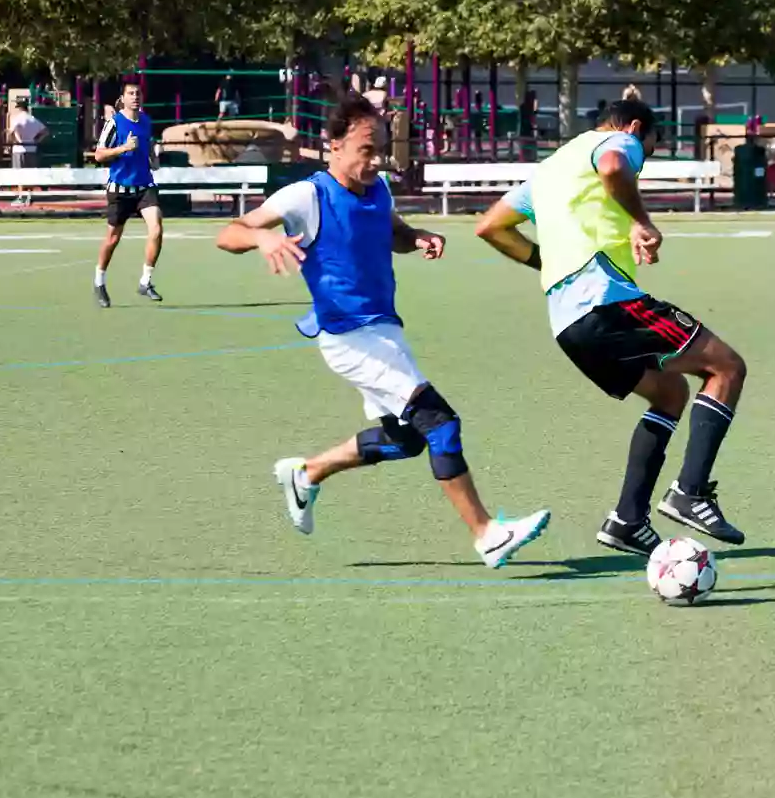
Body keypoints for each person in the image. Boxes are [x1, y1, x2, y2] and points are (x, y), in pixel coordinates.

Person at [215, 94, 549, 567]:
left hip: (384, 332)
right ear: (333, 145)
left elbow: (391, 231)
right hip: (350, 337)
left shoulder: (377, 192)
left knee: (407, 439)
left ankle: (307, 474)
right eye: (366, 149)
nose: (376, 160)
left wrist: (418, 238)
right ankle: (487, 534)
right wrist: (262, 235)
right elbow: (229, 234)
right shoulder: (307, 196)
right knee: (440, 422)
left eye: (381, 150)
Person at [473, 99, 749, 557]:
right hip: (607, 303)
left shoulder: (548, 170)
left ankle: (627, 520)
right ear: (638, 127)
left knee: (670, 394)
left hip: (568, 324)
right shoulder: (617, 140)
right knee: (726, 368)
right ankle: (691, 492)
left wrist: (550, 262)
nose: (646, 157)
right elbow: (615, 164)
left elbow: (490, 227)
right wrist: (641, 221)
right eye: (652, 148)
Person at [90, 81, 163, 307]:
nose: (135, 97)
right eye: (131, 93)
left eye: (138, 93)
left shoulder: (146, 121)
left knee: (157, 227)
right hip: (120, 189)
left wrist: (154, 157)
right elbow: (99, 155)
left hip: (144, 186)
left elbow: (147, 144)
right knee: (113, 239)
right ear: (123, 98)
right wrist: (123, 148)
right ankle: (99, 282)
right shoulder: (114, 123)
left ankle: (146, 281)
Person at [7, 96, 46, 207]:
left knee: (20, 174)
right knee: (30, 173)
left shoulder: (16, 119)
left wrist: (16, 139)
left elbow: (11, 132)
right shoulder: (32, 119)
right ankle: (29, 196)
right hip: (32, 148)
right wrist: (36, 140)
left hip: (19, 149)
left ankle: (21, 197)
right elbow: (45, 131)